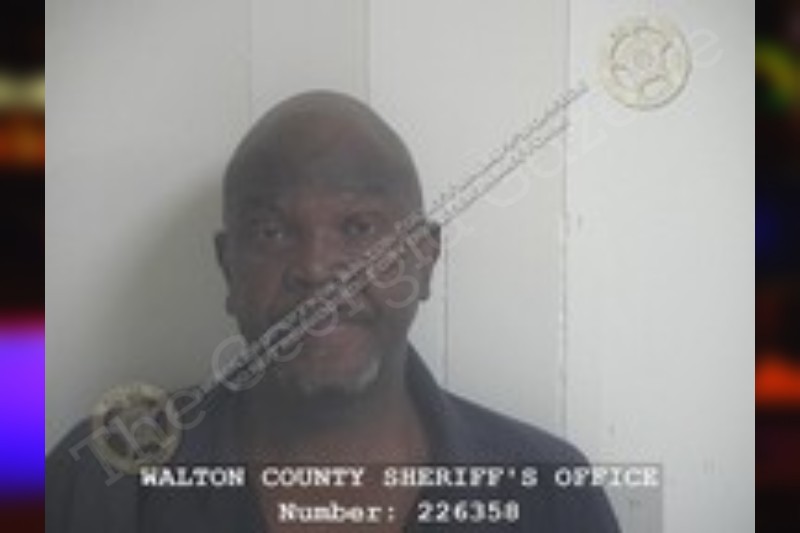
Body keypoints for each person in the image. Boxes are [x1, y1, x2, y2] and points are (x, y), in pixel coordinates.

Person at [46, 91, 619, 532]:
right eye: (271, 231)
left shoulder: (550, 495)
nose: (317, 267)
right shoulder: (101, 481)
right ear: (228, 268)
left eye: (358, 226)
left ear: (423, 260)